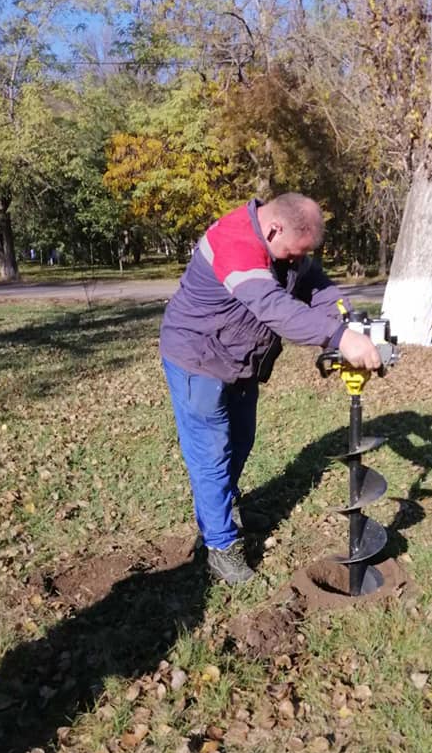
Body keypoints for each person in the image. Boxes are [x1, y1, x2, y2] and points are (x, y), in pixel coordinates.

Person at [160, 193, 381, 584]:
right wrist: (338, 337)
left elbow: (316, 284)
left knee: (240, 442)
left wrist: (346, 317)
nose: (297, 261)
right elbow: (274, 308)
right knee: (211, 456)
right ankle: (221, 547)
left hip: (240, 362)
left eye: (302, 255)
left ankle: (223, 510)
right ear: (274, 228)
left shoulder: (285, 244)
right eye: (294, 253)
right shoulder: (235, 242)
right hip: (198, 359)